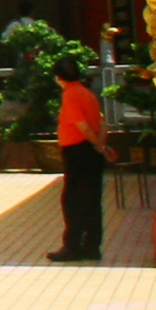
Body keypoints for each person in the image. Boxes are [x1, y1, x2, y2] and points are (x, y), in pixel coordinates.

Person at [50, 58, 110, 262]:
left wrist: (96, 144)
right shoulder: (87, 93)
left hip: (78, 152)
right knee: (92, 200)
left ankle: (73, 246)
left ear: (58, 78)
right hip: (91, 152)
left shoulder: (71, 95)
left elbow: (83, 126)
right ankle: (92, 246)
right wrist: (100, 145)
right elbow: (102, 122)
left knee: (73, 200)